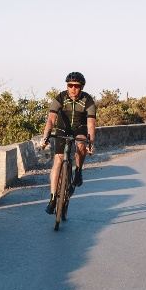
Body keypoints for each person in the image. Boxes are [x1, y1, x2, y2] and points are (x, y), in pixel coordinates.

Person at [41, 72, 97, 214]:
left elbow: (91, 124)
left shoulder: (88, 100)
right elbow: (51, 120)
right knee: (58, 162)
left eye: (76, 86)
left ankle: (78, 171)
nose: (73, 88)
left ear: (82, 87)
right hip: (62, 129)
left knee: (81, 144)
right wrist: (46, 136)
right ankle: (53, 198)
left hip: (80, 128)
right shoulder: (60, 97)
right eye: (70, 85)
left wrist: (91, 141)